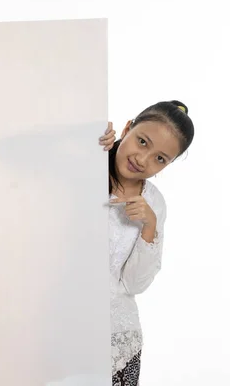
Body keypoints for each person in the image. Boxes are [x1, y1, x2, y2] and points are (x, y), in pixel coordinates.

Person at [98, 100, 194, 385]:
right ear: (127, 128)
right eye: (142, 141)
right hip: (59, 321)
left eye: (160, 159)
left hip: (117, 338)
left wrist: (149, 227)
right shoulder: (87, 167)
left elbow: (134, 284)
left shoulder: (154, 204)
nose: (143, 159)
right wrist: (84, 141)